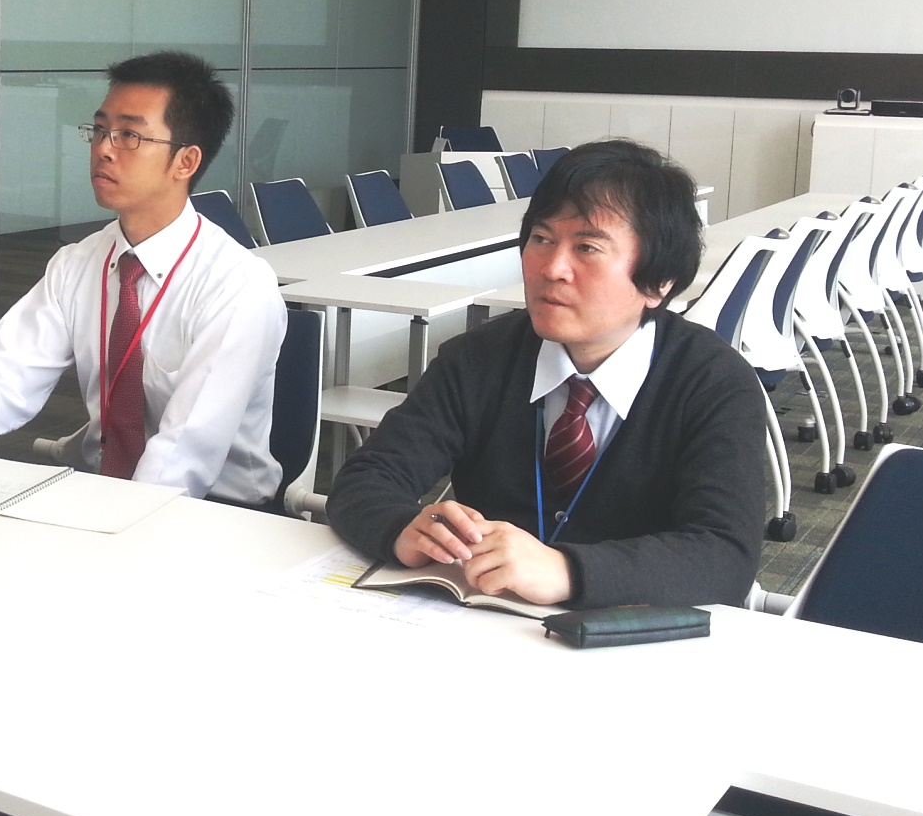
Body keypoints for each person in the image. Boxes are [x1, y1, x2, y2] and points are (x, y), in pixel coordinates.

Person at [327, 140, 766, 610]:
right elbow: (366, 478)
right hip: (480, 623)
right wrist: (402, 529)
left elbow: (724, 556)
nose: (552, 268)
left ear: (658, 283)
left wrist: (565, 570)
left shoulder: (714, 383)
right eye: (541, 239)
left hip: (626, 632)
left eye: (587, 248)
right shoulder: (478, 358)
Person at [0, 51, 286, 505]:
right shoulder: (78, 263)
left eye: (129, 135)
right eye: (100, 130)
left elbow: (186, 451)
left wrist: (112, 525)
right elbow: (4, 378)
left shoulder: (236, 285)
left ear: (185, 161)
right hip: (98, 489)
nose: (103, 148)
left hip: (218, 511)